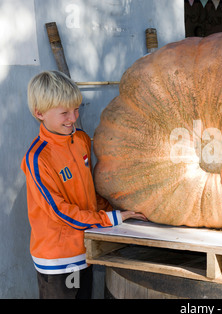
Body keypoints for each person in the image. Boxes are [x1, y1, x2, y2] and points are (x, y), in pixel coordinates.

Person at [21, 70, 147, 299]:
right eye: (64, 113)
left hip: (84, 248)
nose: (73, 117)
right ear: (39, 113)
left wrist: (117, 211)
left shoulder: (80, 140)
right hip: (58, 260)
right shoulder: (37, 158)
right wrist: (110, 219)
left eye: (76, 109)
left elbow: (90, 191)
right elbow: (60, 211)